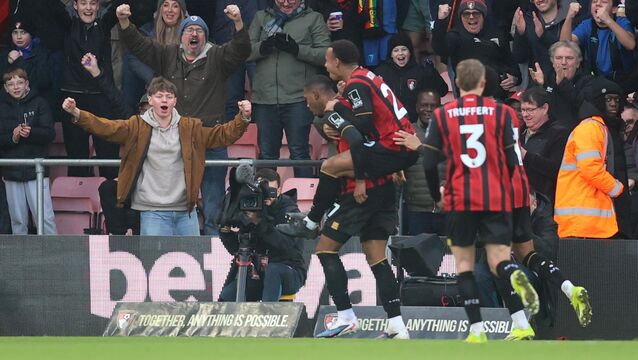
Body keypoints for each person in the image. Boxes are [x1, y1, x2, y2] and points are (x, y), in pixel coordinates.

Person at [398, 59, 539, 343]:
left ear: (457, 84)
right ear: (484, 84)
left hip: (461, 197)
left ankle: (476, 330)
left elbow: (429, 161)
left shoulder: (444, 114)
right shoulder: (501, 113)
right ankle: (521, 321)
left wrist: (437, 193)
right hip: (494, 196)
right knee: (499, 261)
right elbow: (513, 160)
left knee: (464, 264)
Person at [116, 3, 251, 236]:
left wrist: (238, 23)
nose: (194, 34)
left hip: (211, 139)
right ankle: (175, 249)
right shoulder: (168, 54)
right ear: (181, 37)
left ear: (205, 37)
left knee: (213, 200)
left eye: (199, 30)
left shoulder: (218, 56)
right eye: (189, 30)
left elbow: (241, 49)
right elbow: (140, 45)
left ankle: (213, 251)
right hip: (175, 140)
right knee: (174, 200)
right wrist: (125, 23)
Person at [294, 74, 410, 339]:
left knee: (324, 249)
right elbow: (379, 135)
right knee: (377, 257)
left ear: (316, 95)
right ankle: (397, 325)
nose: (306, 105)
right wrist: (397, 166)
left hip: (362, 191)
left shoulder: (336, 111)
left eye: (306, 99)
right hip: (384, 190)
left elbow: (358, 143)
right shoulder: (355, 110)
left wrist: (359, 180)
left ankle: (346, 316)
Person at [61, 76, 251, 236]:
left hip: (187, 212)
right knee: (155, 271)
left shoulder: (190, 127)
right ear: (150, 100)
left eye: (169, 96)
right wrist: (77, 113)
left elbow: (221, 135)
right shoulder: (136, 126)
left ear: (175, 101)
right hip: (152, 212)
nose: (164, 100)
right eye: (159, 96)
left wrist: (242, 118)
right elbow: (105, 127)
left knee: (192, 273)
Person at [278, 40, 418, 239]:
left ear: (337, 62)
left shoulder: (356, 83)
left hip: (394, 146)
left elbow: (363, 126)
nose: (325, 66)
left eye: (327, 61)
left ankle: (310, 223)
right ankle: (312, 220)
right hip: (400, 144)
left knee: (329, 166)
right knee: (373, 254)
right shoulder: (366, 76)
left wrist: (337, 107)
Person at [248, 0, 330, 178]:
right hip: (265, 98)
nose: (285, 2)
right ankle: (266, 202)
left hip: (298, 98)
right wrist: (262, 48)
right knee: (267, 156)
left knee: (299, 152)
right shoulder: (261, 17)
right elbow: (244, 52)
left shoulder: (314, 18)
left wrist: (296, 49)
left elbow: (326, 54)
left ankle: (306, 202)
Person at [218, 168, 307, 302]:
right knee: (229, 295)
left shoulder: (289, 211)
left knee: (273, 270)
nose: (267, 195)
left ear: (279, 191)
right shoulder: (253, 208)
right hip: (261, 273)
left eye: (271, 191)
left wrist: (259, 223)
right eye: (263, 190)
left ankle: (267, 318)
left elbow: (286, 246)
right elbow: (237, 248)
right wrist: (225, 232)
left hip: (290, 271)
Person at [554, 76, 625, 239]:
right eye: (608, 99)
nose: (614, 103)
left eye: (616, 99)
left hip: (586, 221)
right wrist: (617, 188)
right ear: (599, 101)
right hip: (581, 222)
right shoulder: (590, 128)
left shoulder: (598, 126)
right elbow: (591, 169)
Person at [0, 67, 57, 235]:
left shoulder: (40, 103)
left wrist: (31, 133)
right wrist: (13, 137)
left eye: (19, 82)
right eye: (11, 84)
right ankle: (21, 259)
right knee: (18, 221)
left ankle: (56, 256)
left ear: (27, 84)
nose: (15, 87)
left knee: (45, 218)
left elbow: (49, 134)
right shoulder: (1, 108)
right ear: (5, 88)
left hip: (36, 171)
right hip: (11, 171)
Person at [433, 0, 521, 99]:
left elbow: (513, 65)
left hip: (496, 99)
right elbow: (439, 49)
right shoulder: (455, 36)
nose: (471, 17)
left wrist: (514, 78)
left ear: (483, 15)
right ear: (461, 17)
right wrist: (440, 21)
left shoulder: (498, 34)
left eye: (476, 13)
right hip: (467, 102)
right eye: (466, 14)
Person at [121, 0, 188, 111]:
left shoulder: (189, 33)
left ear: (181, 11)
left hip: (180, 87)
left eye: (175, 6)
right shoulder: (146, 31)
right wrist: (154, 80)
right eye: (165, 5)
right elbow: (133, 57)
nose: (170, 10)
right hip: (148, 85)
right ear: (160, 9)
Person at [375, 32, 448, 123]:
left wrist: (433, 75)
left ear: (410, 52)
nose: (400, 53)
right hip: (389, 124)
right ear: (391, 54)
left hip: (415, 124)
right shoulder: (381, 72)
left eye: (404, 49)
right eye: (396, 50)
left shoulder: (420, 71)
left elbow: (442, 91)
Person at [401, 89, 446, 235]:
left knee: (449, 257)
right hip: (416, 211)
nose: (428, 110)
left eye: (433, 106)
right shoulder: (407, 133)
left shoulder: (452, 134)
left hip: (446, 210)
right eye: (424, 105)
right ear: (416, 107)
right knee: (417, 257)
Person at [560, 0, 635, 83]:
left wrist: (608, 20)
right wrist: (569, 17)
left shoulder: (622, 22)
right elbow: (564, 46)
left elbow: (631, 44)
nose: (598, 4)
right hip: (597, 81)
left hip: (624, 80)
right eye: (594, 1)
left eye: (604, 2)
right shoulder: (587, 24)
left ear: (614, 9)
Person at [519, 87, 570, 205]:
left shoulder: (559, 133)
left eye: (531, 110)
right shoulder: (519, 132)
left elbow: (558, 169)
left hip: (547, 205)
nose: (525, 115)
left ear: (545, 108)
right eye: (523, 110)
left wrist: (526, 156)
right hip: (521, 203)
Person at [529, 40, 593, 130]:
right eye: (559, 58)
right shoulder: (544, 79)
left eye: (569, 58)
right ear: (552, 62)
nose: (563, 62)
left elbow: (582, 106)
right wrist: (540, 86)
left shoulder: (588, 82)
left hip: (574, 134)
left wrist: (563, 83)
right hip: (546, 134)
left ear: (578, 63)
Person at [0, 17, 52, 109]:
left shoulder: (42, 54)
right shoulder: (6, 53)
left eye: (23, 32)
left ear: (31, 34)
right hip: (8, 106)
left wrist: (19, 61)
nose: (19, 37)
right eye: (15, 33)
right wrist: (7, 63)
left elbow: (42, 82)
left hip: (34, 105)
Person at [512, 0, 572, 78]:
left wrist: (543, 36)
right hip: (537, 84)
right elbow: (520, 58)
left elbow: (569, 51)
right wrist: (520, 34)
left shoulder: (572, 16)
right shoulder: (529, 19)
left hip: (566, 82)